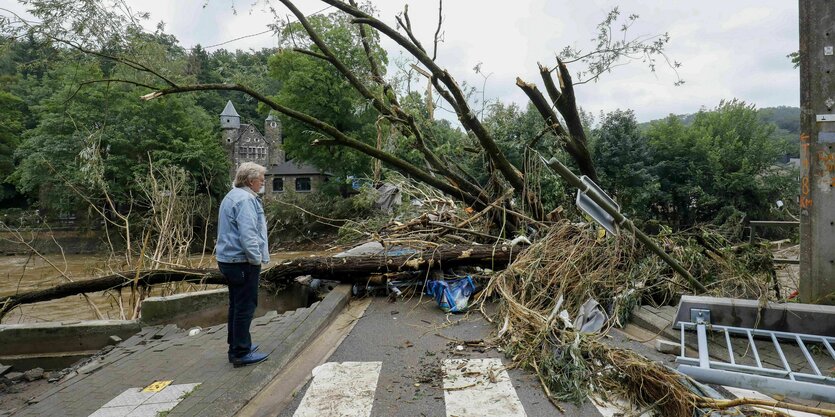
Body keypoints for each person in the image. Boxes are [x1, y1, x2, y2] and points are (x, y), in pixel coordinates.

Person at [216, 162, 270, 367]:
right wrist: (256, 260)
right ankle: (240, 352)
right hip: (242, 262)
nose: (263, 183)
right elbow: (249, 235)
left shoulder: (232, 196)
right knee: (245, 306)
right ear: (250, 180)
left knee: (236, 305)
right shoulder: (246, 200)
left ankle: (238, 344)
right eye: (261, 180)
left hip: (229, 260)